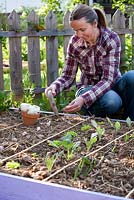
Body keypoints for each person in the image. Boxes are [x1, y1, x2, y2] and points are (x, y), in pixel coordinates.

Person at [45, 4, 134, 120]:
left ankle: (130, 122)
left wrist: (83, 99)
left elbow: (108, 79)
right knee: (112, 101)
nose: (79, 35)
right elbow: (68, 75)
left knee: (132, 77)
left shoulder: (111, 39)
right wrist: (54, 87)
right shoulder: (75, 43)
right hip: (88, 87)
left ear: (95, 24)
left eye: (82, 29)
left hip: (112, 84)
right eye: (75, 30)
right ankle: (94, 116)